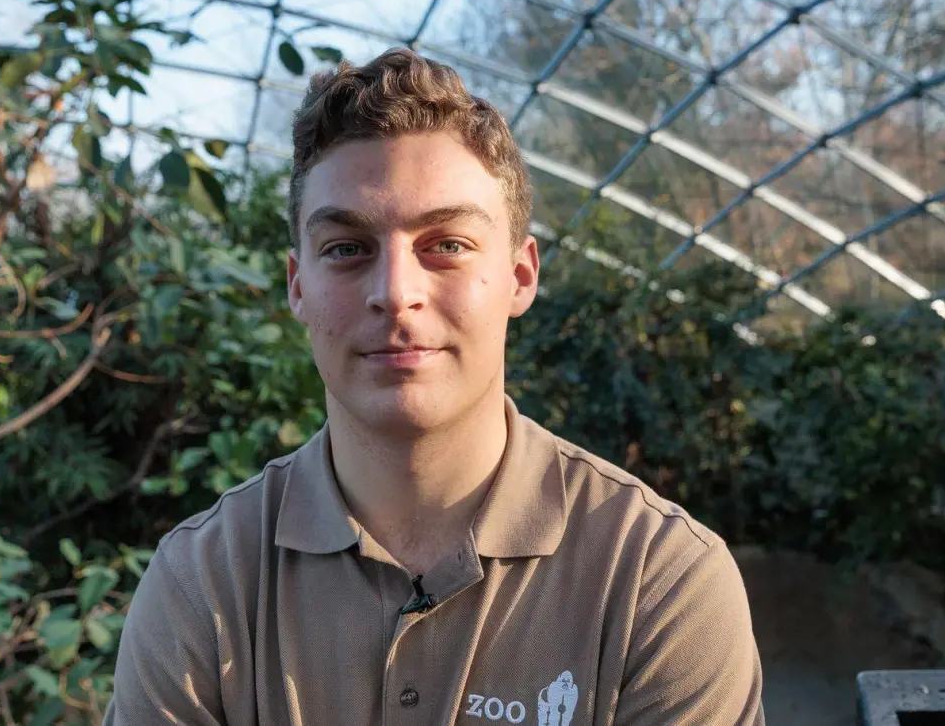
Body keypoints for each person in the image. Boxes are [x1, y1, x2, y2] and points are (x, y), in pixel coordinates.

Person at [102, 48, 765, 725]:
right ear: (298, 284)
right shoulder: (203, 584)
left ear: (520, 276)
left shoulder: (658, 581)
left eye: (446, 244)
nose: (395, 294)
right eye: (346, 248)